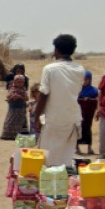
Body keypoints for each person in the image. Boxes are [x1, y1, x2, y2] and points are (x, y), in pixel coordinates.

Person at [33, 34, 86, 167]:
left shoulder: (49, 69)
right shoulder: (79, 69)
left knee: (48, 159)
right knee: (66, 158)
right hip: (72, 119)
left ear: (56, 50)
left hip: (53, 120)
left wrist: (36, 116)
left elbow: (43, 95)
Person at [0, 74, 29, 140]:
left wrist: (20, 97)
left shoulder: (23, 89)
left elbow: (27, 98)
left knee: (21, 122)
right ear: (14, 82)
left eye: (21, 82)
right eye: (17, 81)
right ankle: (7, 135)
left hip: (21, 109)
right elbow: (7, 98)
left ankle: (19, 135)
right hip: (13, 109)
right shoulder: (12, 88)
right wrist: (12, 97)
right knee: (10, 120)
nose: (19, 83)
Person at [76, 70, 98, 155]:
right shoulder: (77, 90)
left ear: (90, 80)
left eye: (86, 79)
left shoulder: (93, 91)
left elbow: (97, 100)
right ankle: (77, 148)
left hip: (88, 115)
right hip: (78, 114)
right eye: (82, 79)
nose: (84, 81)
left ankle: (89, 148)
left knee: (88, 129)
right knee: (78, 130)